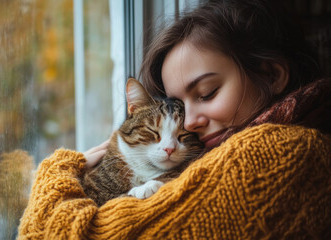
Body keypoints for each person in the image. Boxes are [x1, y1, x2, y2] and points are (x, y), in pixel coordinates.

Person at [18, 0, 331, 239]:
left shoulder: (283, 152)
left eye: (207, 93)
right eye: (178, 105)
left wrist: (56, 171)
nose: (189, 122)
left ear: (272, 75)